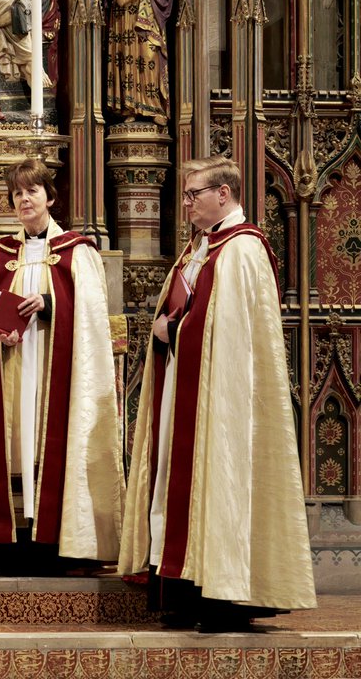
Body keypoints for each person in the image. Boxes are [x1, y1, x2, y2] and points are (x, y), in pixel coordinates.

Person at [119, 156, 317, 630]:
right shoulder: (200, 249)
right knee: (181, 479)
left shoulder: (243, 249)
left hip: (225, 402)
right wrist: (165, 332)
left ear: (223, 194)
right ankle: (186, 592)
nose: (186, 203)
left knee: (222, 482)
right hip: (188, 390)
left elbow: (228, 332)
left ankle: (224, 598)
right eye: (186, 195)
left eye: (194, 194)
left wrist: (174, 331)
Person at [0, 159, 124, 569]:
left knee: (50, 443)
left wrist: (48, 307)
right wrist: (1, 333)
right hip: (12, 366)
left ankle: (57, 540)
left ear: (49, 196)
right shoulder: (1, 254)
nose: (24, 199)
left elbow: (91, 318)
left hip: (53, 369)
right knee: (14, 446)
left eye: (32, 191)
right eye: (17, 194)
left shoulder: (76, 253)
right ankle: (11, 539)